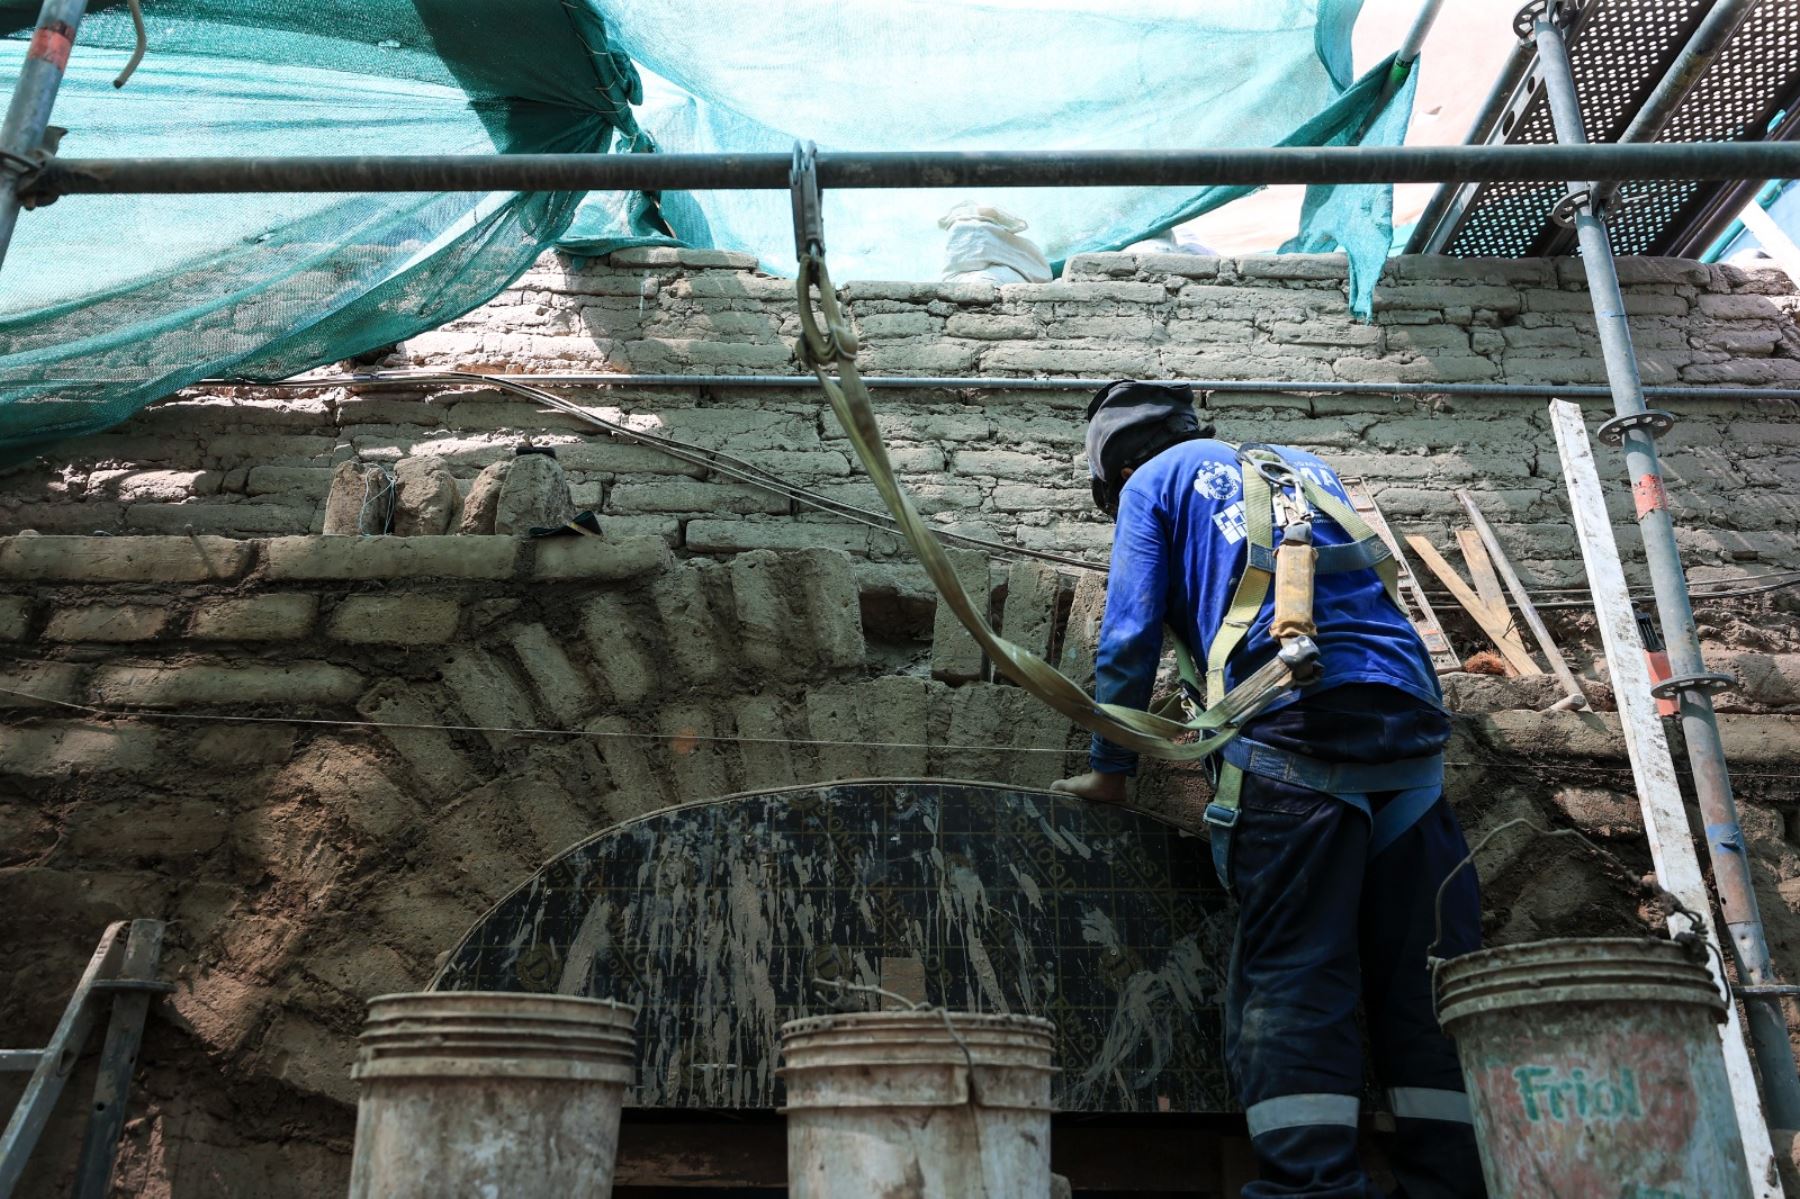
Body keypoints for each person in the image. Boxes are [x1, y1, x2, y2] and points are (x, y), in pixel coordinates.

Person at [1052, 380, 1486, 1198]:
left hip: (1293, 739)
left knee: (1296, 970)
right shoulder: (1300, 466)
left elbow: (1130, 634)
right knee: (1430, 981)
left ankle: (1311, 1187)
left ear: (1112, 472)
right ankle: (1454, 1182)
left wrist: (1109, 770)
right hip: (1410, 737)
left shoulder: (1154, 484)